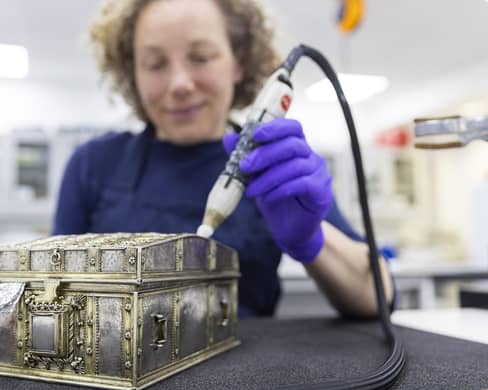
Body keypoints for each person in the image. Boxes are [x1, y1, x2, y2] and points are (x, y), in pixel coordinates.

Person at [53, 0, 393, 318]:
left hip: (251, 378)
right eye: (155, 64)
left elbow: (379, 296)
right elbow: (51, 294)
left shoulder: (273, 162)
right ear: (134, 75)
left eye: (200, 57)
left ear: (239, 63)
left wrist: (312, 239)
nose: (180, 83)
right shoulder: (92, 165)